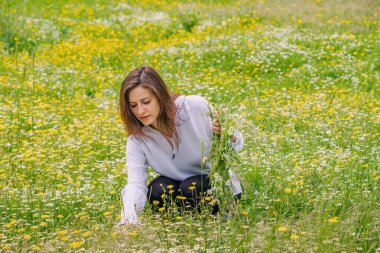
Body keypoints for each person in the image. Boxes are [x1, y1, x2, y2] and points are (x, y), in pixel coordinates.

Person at [117, 66, 243, 226]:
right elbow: (135, 184)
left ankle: (212, 222)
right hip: (180, 190)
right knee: (157, 189)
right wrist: (129, 220)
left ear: (160, 96)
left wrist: (226, 133)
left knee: (191, 187)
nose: (140, 111)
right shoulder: (137, 138)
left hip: (214, 185)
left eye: (146, 102)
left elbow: (236, 145)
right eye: (133, 105)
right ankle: (178, 224)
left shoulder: (193, 107)